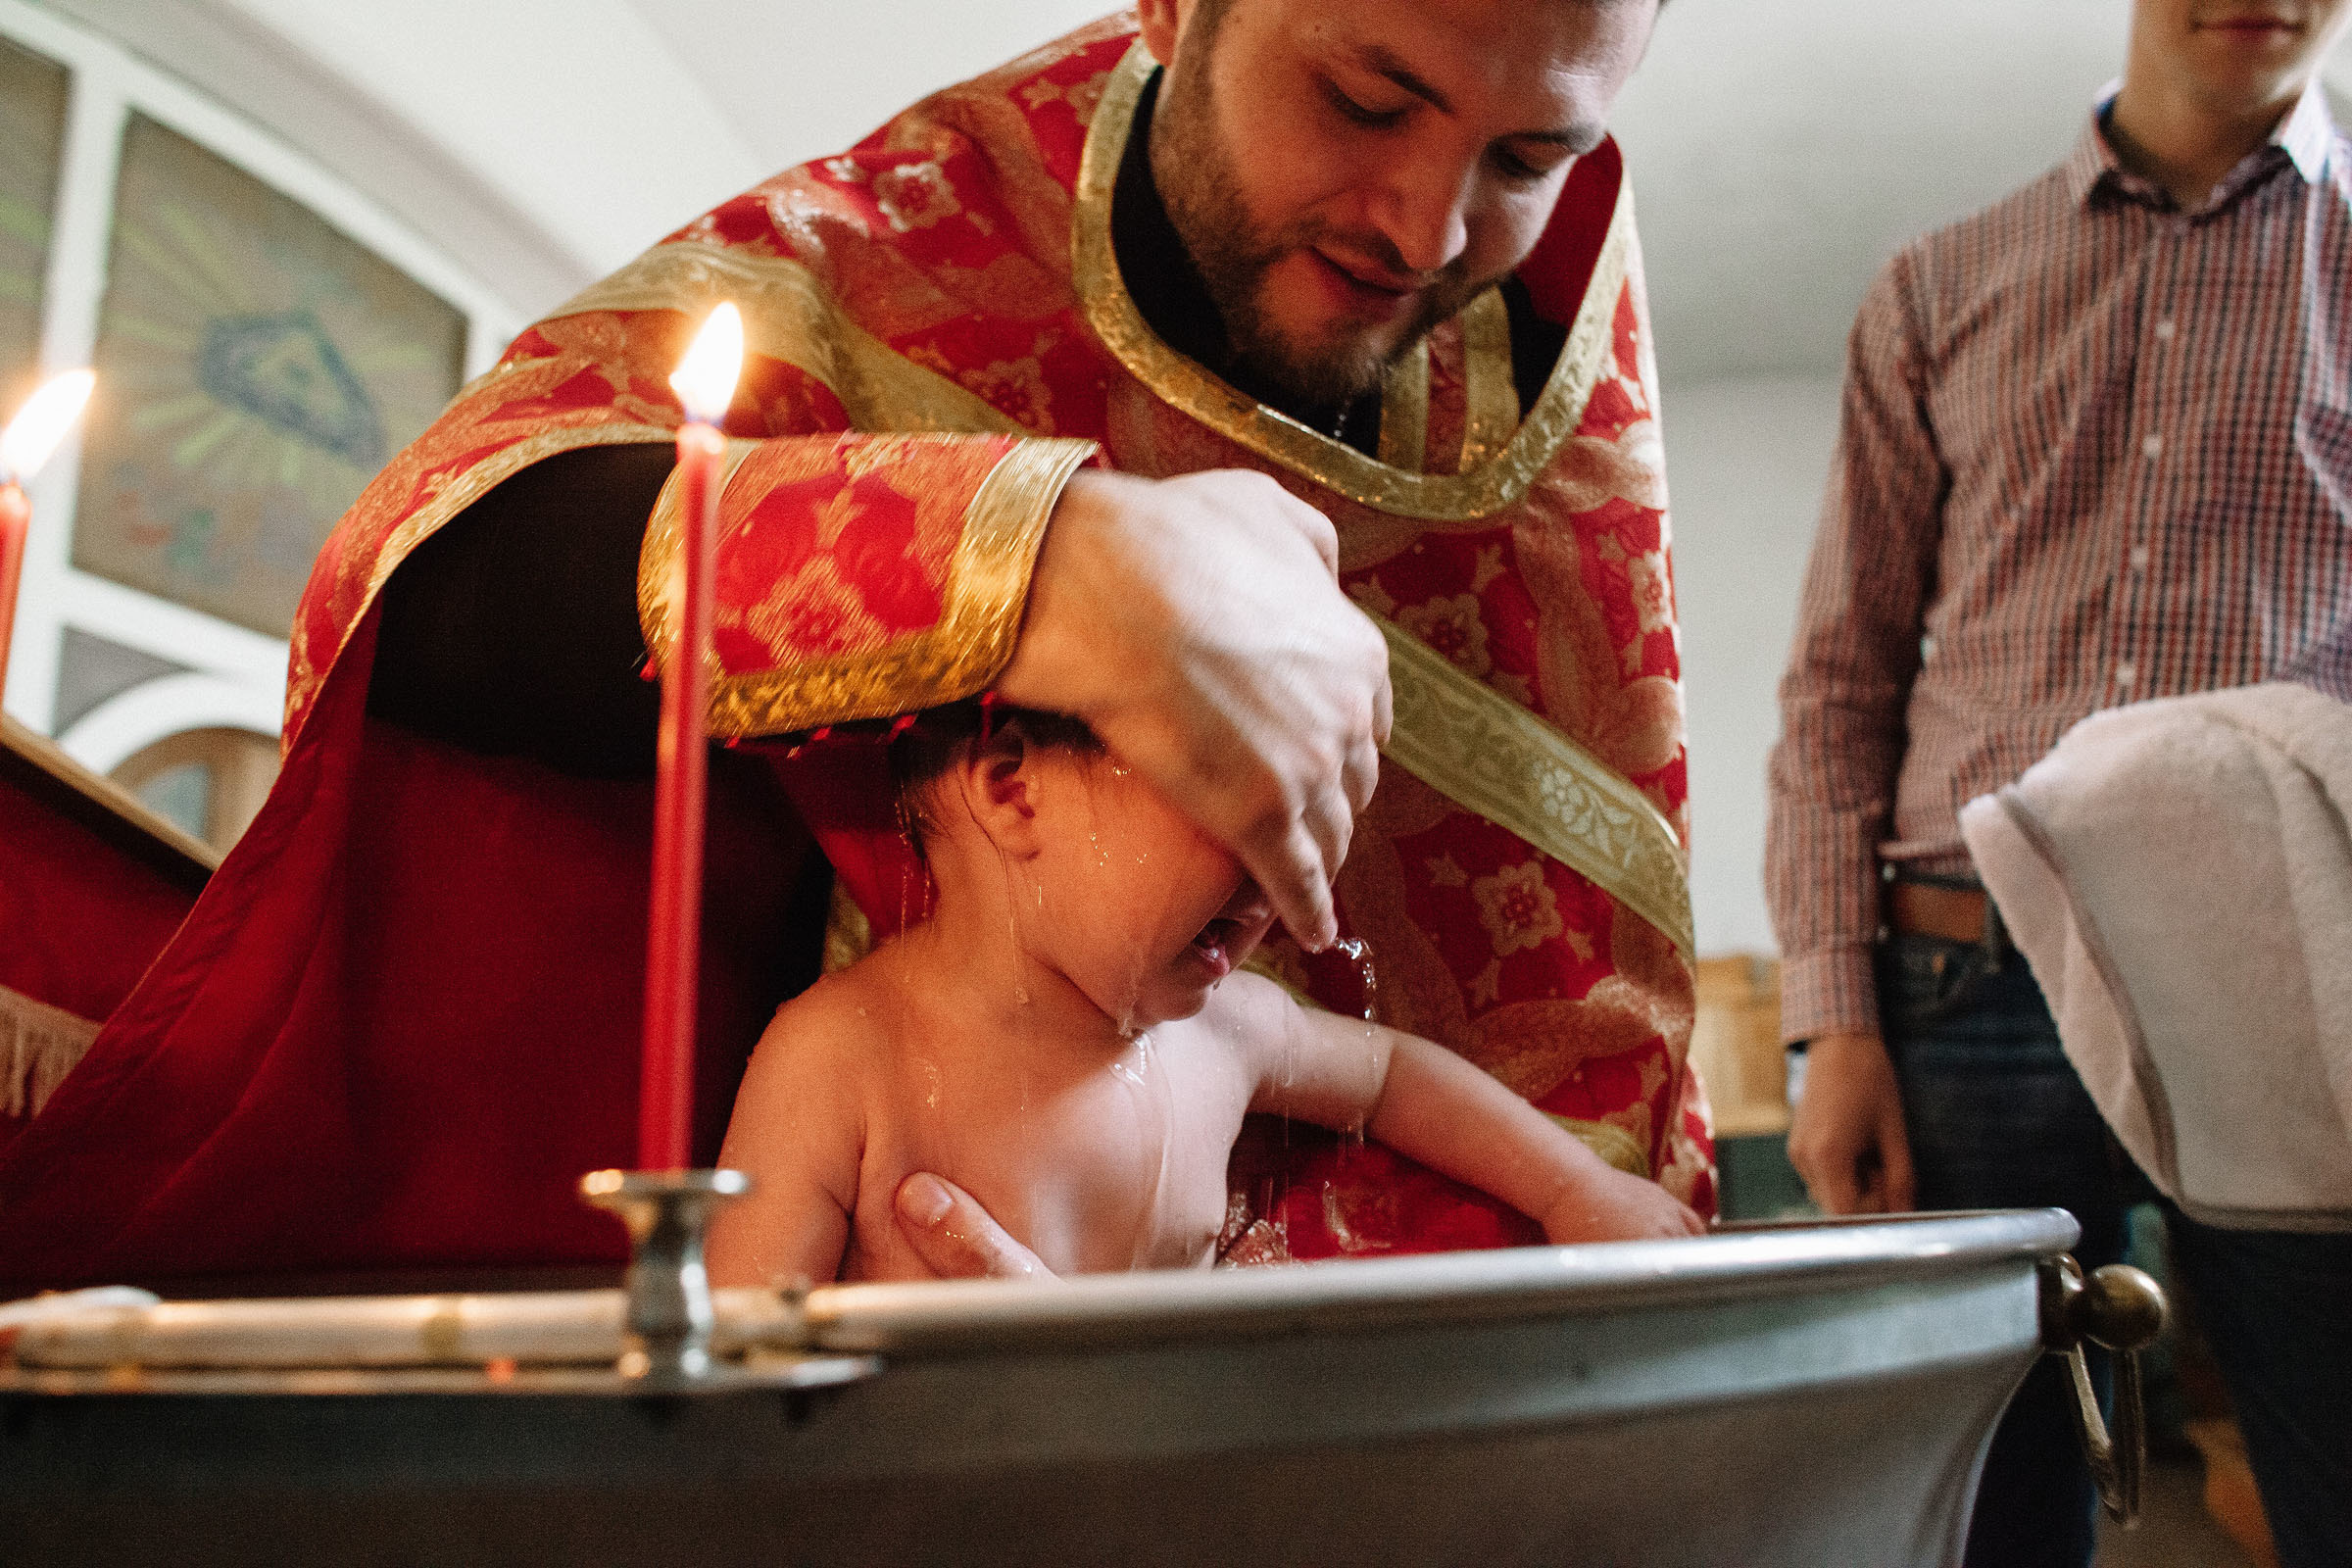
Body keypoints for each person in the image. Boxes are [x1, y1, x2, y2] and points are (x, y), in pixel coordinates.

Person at [0, 0, 1712, 1294]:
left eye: (1527, 160)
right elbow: (425, 565)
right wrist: (1039, 560)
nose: (1425, 229)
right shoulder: (899, 247)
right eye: (1367, 95)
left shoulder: (1543, 315)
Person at [1768, 1, 2352, 1563]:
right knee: (1980, 1516)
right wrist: (1833, 1019)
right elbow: (1840, 681)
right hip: (1963, 987)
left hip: (2285, 995)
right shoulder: (1935, 287)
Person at [710, 708, 1700, 1286]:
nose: (1296, 894)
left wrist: (1577, 1188)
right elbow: (739, 1397)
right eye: (1250, 814)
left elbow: (1390, 1075)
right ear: (1012, 787)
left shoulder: (1221, 1034)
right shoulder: (840, 1057)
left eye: (1314, 837)